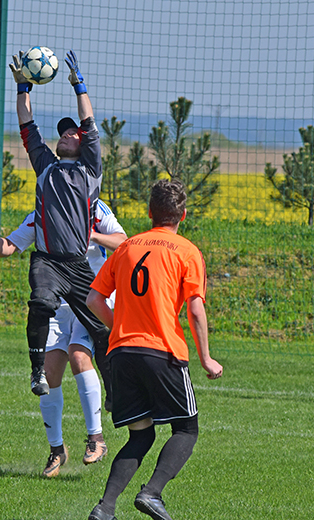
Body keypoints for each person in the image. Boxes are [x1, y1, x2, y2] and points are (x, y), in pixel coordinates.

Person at [85, 179, 224, 520]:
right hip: (162, 350)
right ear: (183, 215)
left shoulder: (127, 247)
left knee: (141, 434)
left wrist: (118, 324)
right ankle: (152, 493)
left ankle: (105, 508)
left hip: (121, 353)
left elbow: (93, 299)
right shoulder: (187, 251)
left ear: (150, 213)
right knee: (186, 429)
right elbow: (194, 308)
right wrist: (205, 357)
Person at [0, 199, 126, 478]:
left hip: (91, 300)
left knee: (79, 356)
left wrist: (92, 236)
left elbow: (123, 241)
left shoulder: (95, 208)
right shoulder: (42, 213)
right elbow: (10, 246)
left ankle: (96, 439)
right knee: (49, 372)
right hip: (59, 306)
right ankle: (57, 449)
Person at [9, 49, 112, 397]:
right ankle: (37, 372)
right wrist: (23, 88)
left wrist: (79, 86)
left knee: (103, 331)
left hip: (79, 264)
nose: (67, 135)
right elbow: (27, 125)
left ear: (83, 145)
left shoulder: (89, 171)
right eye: (63, 133)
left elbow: (90, 124)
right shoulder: (46, 165)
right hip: (48, 261)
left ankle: (115, 389)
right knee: (40, 302)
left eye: (72, 134)